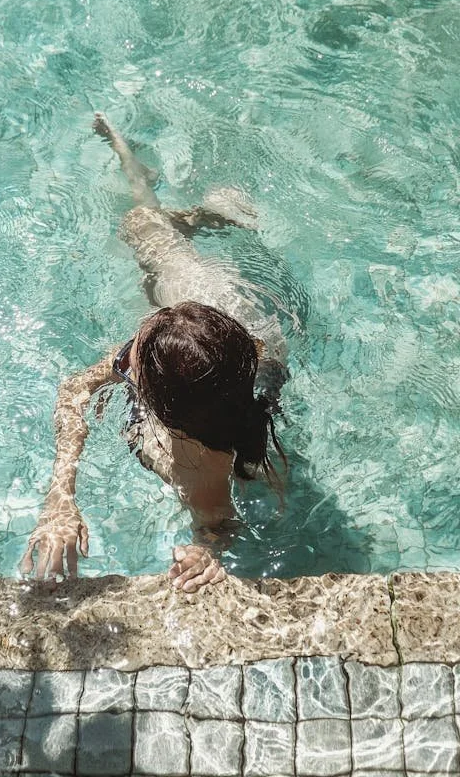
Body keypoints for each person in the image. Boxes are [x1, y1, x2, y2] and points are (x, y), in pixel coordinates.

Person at [20, 114, 288, 592]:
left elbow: (219, 525)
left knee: (146, 228)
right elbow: (76, 387)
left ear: (159, 405)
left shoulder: (198, 465)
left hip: (227, 332)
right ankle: (148, 180)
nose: (130, 351)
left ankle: (188, 213)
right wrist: (60, 496)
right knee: (140, 221)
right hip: (225, 308)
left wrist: (207, 554)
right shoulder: (229, 353)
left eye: (136, 356)